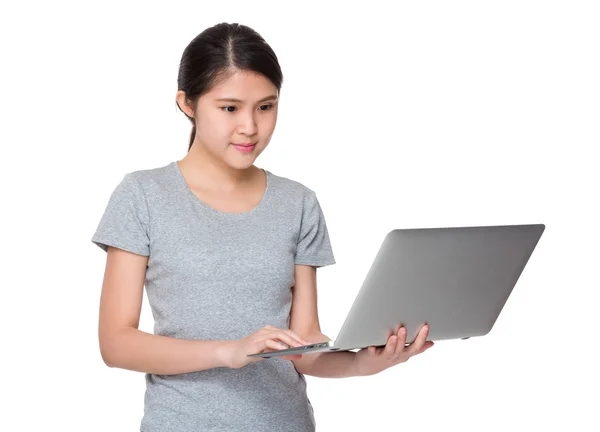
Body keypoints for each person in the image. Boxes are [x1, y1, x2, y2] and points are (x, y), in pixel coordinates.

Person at [91, 22, 433, 432]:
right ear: (187, 103)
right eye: (229, 108)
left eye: (265, 107)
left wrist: (362, 362)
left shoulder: (298, 202)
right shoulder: (143, 195)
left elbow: (302, 344)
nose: (250, 127)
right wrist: (228, 352)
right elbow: (116, 343)